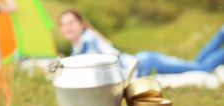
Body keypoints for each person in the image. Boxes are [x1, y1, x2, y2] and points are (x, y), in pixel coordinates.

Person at [58, 9, 224, 77]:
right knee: (196, 65)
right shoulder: (78, 45)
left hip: (143, 65)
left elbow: (90, 69)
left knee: (202, 69)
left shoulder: (88, 40)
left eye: (71, 23)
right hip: (143, 61)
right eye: (63, 25)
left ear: (81, 24)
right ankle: (221, 33)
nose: (67, 28)